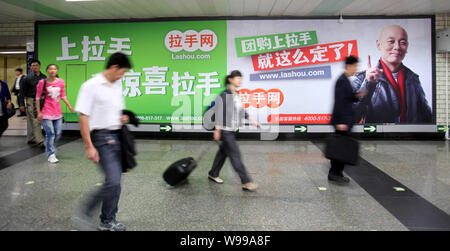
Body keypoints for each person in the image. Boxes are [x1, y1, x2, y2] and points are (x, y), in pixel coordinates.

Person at [73, 52, 131, 231]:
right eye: (122, 72)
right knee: (113, 181)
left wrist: (122, 117)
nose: (123, 76)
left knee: (116, 182)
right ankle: (85, 211)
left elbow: (114, 109)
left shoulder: (117, 85)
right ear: (114, 68)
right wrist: (89, 146)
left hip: (116, 137)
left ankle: (107, 220)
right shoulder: (91, 86)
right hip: (101, 138)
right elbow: (83, 117)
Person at [353, 25, 432, 123]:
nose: (397, 47)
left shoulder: (413, 79)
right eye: (391, 41)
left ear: (407, 47)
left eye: (402, 43)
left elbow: (426, 116)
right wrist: (369, 84)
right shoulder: (362, 78)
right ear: (379, 45)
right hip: (376, 137)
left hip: (409, 137)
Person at [208, 70, 260, 191]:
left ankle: (213, 173)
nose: (240, 80)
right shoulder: (225, 95)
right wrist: (217, 130)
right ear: (231, 80)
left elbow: (241, 111)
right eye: (238, 78)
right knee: (235, 155)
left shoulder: (236, 93)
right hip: (225, 131)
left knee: (223, 153)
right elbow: (219, 113)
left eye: (241, 78)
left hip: (231, 129)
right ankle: (246, 182)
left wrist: (252, 121)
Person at [329, 56, 367, 183]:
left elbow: (347, 97)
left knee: (341, 147)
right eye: (355, 66)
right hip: (342, 121)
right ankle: (335, 173)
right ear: (349, 66)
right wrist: (341, 122)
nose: (356, 69)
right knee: (340, 148)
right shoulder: (342, 80)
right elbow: (339, 102)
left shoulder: (345, 79)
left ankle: (337, 173)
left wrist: (357, 96)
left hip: (345, 120)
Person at [36, 64, 74, 163]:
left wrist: (69, 105)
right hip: (46, 112)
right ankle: (51, 154)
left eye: (54, 69)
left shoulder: (61, 82)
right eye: (50, 69)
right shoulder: (42, 82)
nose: (52, 70)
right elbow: (37, 98)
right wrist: (39, 112)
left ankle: (49, 144)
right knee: (50, 133)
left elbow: (63, 95)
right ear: (47, 71)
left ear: (57, 71)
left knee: (58, 133)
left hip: (57, 112)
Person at [21, 59, 46, 146]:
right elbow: (22, 92)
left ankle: (32, 137)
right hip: (31, 100)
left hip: (41, 101)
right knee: (35, 119)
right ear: (30, 67)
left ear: (39, 66)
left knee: (36, 120)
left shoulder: (44, 77)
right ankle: (40, 140)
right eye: (33, 65)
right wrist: (21, 104)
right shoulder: (26, 78)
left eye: (36, 65)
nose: (35, 67)